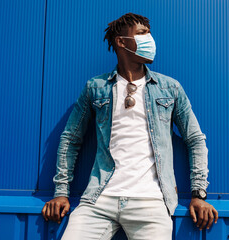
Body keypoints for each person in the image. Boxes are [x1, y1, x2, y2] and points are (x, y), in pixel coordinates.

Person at [41, 12, 218, 240]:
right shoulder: (96, 88)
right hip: (98, 200)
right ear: (121, 42)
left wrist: (198, 194)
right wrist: (61, 193)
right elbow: (71, 139)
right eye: (143, 33)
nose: (150, 39)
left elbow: (195, 139)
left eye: (149, 33)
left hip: (152, 203)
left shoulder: (170, 88)